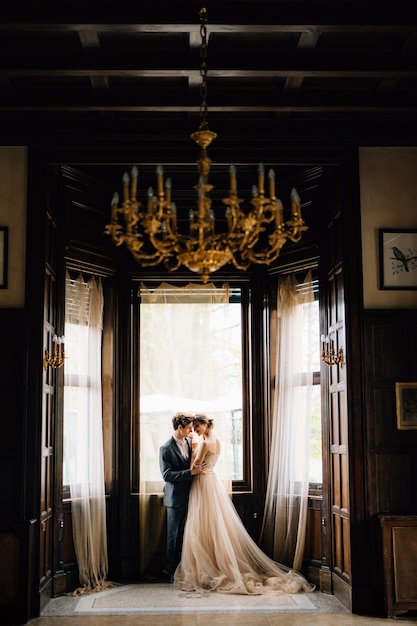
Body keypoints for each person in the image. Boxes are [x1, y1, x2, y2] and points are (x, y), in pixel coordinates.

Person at [173, 414, 315, 595]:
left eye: (196, 427)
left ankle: (206, 568)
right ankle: (214, 563)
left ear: (203, 424)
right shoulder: (216, 441)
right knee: (214, 526)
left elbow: (196, 465)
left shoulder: (203, 443)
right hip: (212, 483)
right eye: (192, 428)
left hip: (202, 484)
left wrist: (193, 449)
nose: (194, 431)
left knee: (199, 526)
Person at [159, 412, 206, 582]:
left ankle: (186, 569)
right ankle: (172, 572)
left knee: (189, 534)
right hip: (175, 499)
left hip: (192, 495)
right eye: (188, 428)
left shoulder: (189, 441)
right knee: (174, 536)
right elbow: (167, 475)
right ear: (180, 427)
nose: (191, 431)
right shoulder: (165, 448)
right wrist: (190, 472)